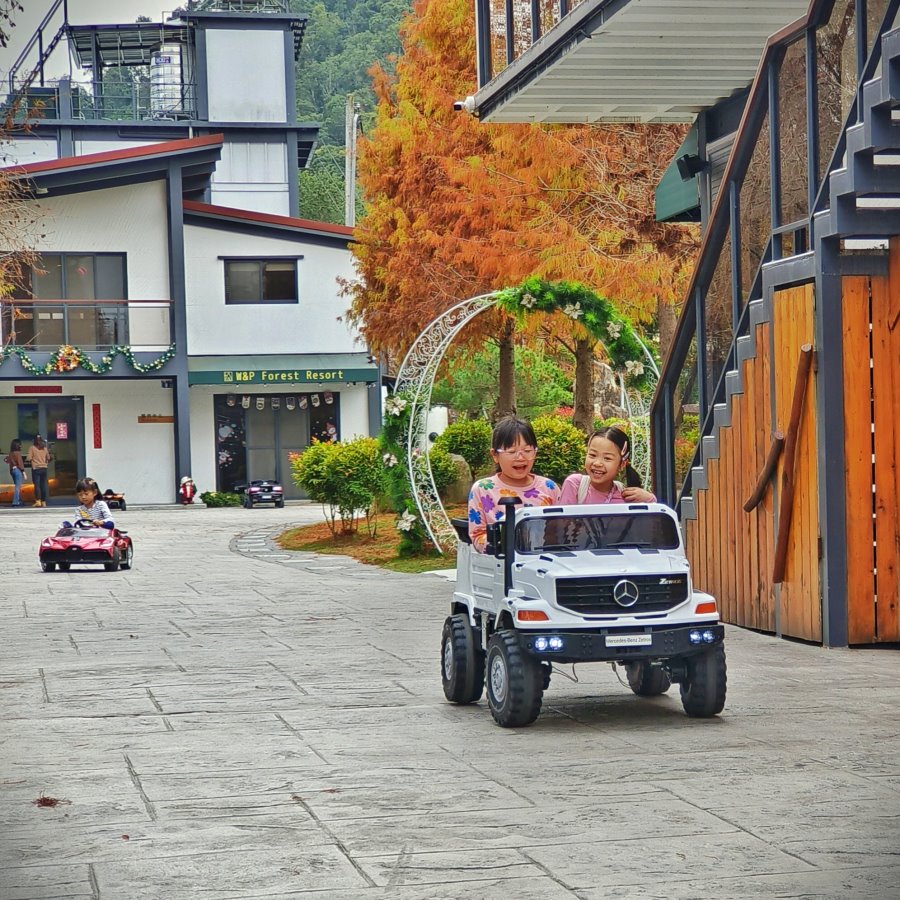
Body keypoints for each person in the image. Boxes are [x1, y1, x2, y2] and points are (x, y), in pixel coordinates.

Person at [468, 417, 560, 552]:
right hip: (500, 565)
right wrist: (504, 545)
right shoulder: (483, 489)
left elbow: (561, 529)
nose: (520, 457)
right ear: (495, 455)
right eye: (511, 452)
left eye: (527, 451)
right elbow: (477, 535)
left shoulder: (549, 487)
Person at [559, 426, 656, 505]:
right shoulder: (575, 485)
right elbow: (562, 525)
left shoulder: (627, 496)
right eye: (592, 455)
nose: (597, 463)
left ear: (622, 464)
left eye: (607, 458)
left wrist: (650, 500)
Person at [26, 434, 51, 507]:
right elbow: (48, 458)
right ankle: (44, 502)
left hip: (36, 469)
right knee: (43, 485)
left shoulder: (32, 448)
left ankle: (38, 501)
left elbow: (29, 458)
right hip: (44, 468)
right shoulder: (45, 448)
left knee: (37, 485)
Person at [6, 439, 26, 507]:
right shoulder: (18, 453)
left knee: (17, 486)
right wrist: (23, 472)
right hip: (17, 471)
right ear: (17, 445)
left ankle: (20, 501)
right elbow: (20, 463)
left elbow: (7, 460)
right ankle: (15, 502)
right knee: (18, 487)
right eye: (20, 444)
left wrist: (13, 465)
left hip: (12, 471)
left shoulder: (11, 453)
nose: (21, 446)